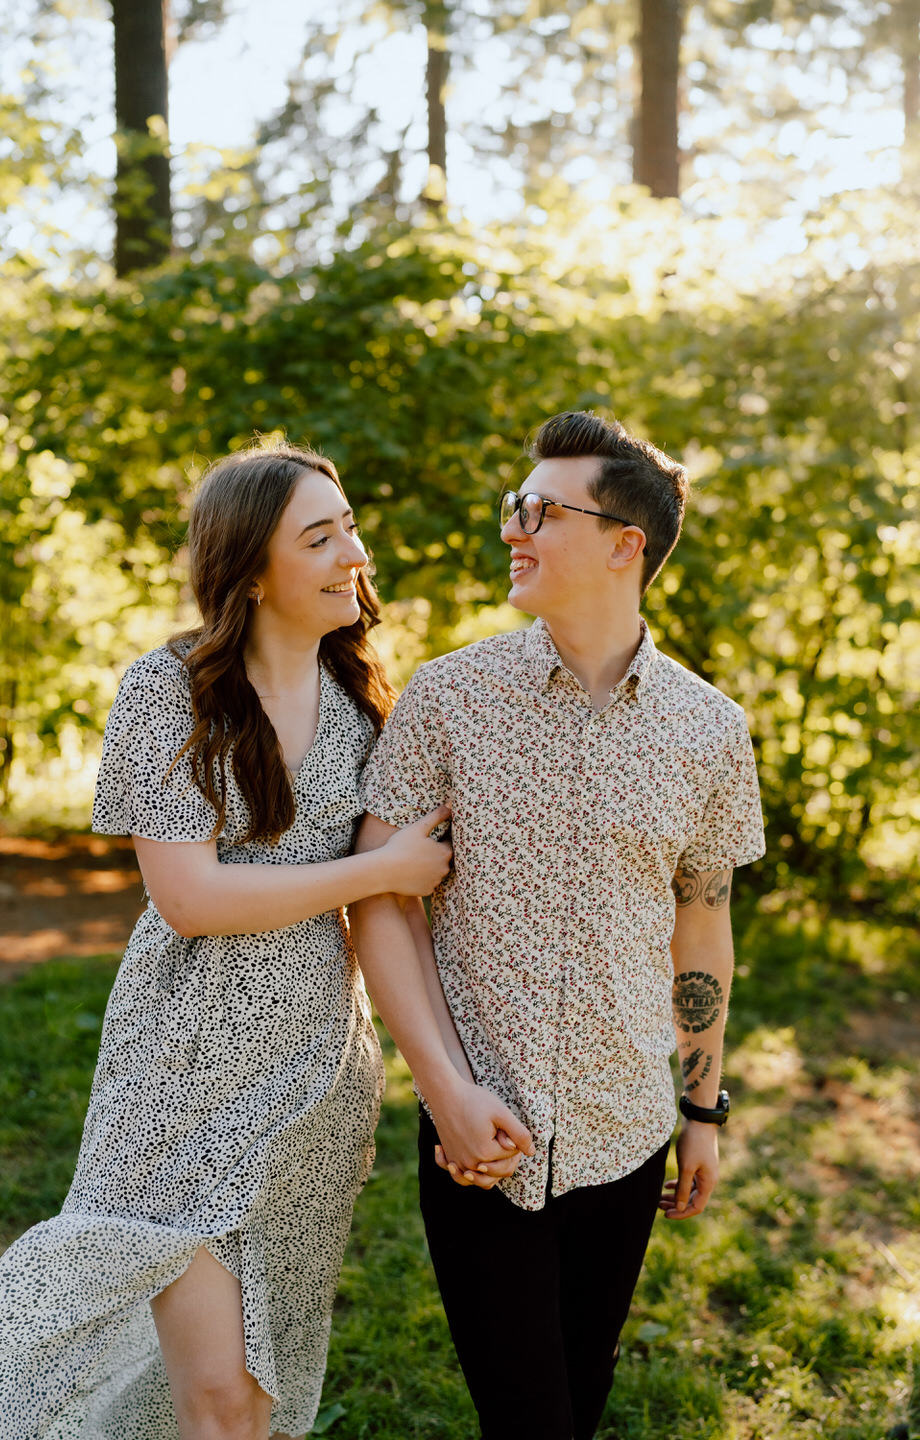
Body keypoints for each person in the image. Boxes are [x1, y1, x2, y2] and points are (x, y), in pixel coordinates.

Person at [0, 440, 452, 1440]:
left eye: (349, 525)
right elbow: (187, 897)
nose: (353, 551)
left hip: (315, 1074)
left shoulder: (368, 706)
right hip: (182, 1070)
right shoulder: (169, 691)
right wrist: (376, 873)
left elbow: (400, 912)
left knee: (259, 1395)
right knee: (218, 1393)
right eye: (320, 536)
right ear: (250, 570)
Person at [349, 411, 766, 1440]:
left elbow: (702, 928)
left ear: (628, 545)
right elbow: (377, 898)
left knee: (577, 1407)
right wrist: (445, 1093)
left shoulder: (711, 729)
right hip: (479, 1140)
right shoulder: (447, 698)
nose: (513, 528)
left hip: (629, 1135)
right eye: (513, 506)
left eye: (541, 509)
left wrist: (701, 1108)